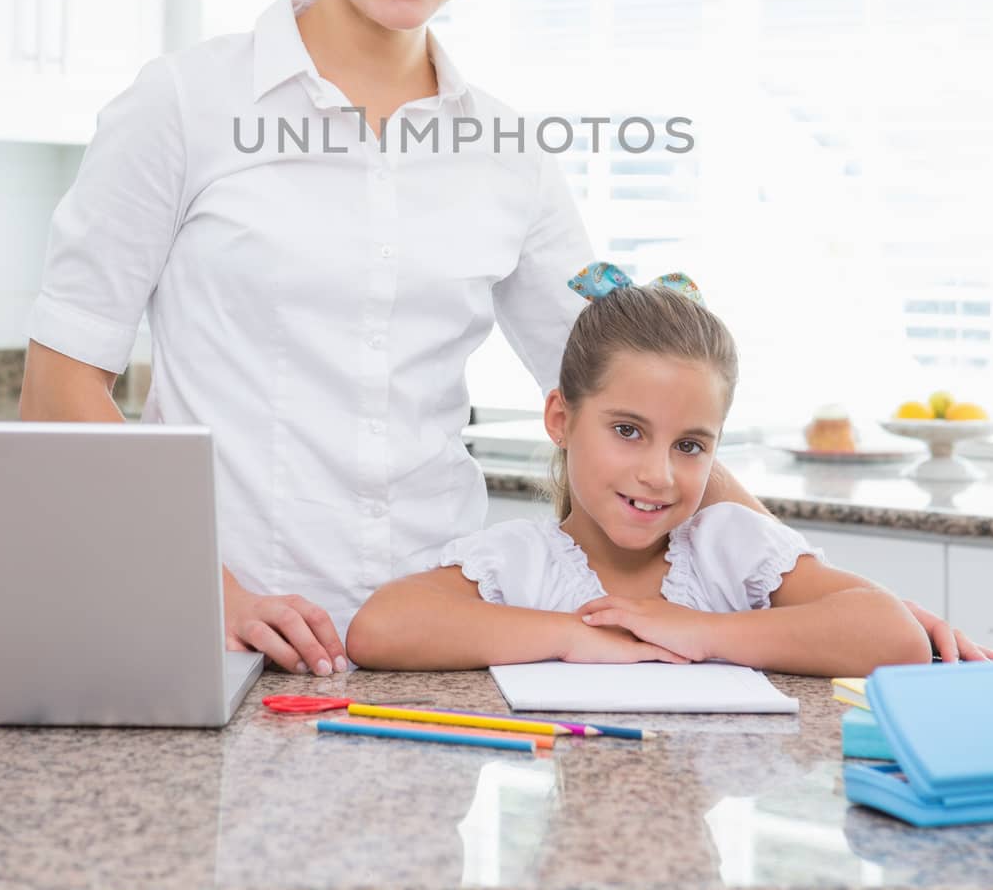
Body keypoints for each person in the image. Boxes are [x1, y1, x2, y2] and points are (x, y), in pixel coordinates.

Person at [20, 0, 984, 674]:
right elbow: (59, 387)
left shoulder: (511, 157)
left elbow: (637, 389)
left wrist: (831, 588)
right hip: (230, 634)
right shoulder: (183, 105)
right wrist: (208, 592)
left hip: (444, 647)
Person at [345, 264, 934, 676]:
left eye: (690, 445)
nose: (658, 473)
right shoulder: (521, 562)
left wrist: (698, 632)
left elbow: (893, 637)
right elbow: (381, 627)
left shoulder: (729, 547)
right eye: (628, 431)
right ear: (560, 418)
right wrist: (575, 637)